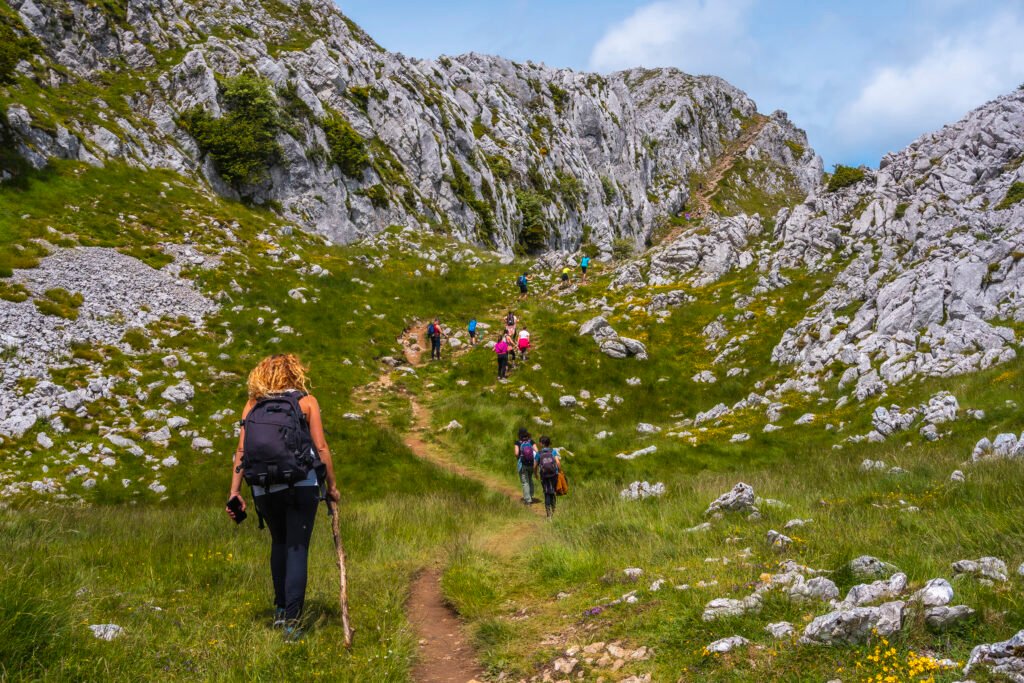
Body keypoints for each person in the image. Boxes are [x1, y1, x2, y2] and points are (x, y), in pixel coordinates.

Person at [226, 354, 339, 640]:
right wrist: (332, 488)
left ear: (261, 375)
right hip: (301, 484)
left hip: (264, 488)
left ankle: (279, 613)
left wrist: (235, 492)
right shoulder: (306, 402)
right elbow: (321, 448)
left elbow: (241, 452)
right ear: (296, 373)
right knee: (297, 548)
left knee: (279, 543)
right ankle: (292, 622)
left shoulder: (253, 404)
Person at [534, 435, 562, 517]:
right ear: (549, 443)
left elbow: (535, 465)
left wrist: (535, 474)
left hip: (544, 476)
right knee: (553, 491)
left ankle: (548, 514)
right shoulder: (553, 451)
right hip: (554, 475)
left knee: (546, 493)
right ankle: (553, 511)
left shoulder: (539, 453)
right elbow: (558, 463)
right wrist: (560, 471)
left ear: (541, 443)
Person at [514, 428, 536, 505]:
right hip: (531, 464)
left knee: (525, 482)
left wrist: (519, 458)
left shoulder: (518, 442)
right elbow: (537, 451)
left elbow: (516, 453)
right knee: (530, 479)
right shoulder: (531, 441)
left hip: (523, 464)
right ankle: (531, 496)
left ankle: (528, 500)